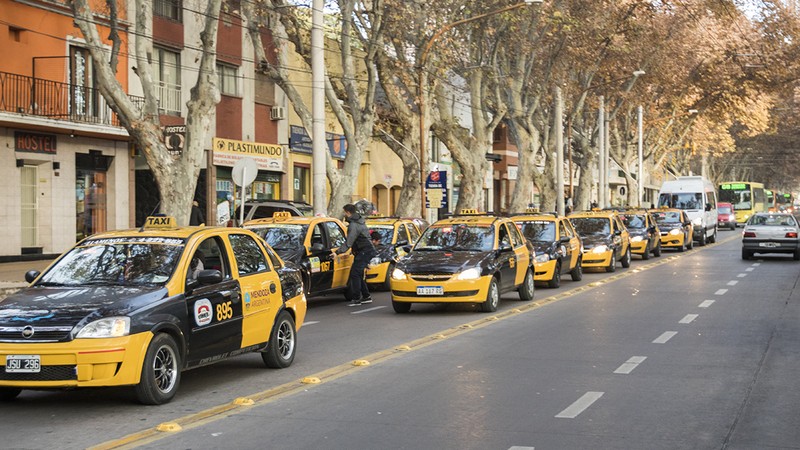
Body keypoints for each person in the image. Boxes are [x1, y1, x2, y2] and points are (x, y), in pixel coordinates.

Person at [333, 204, 377, 306]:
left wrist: (337, 253)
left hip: (365, 251)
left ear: (348, 213)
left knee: (355, 273)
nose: (344, 214)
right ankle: (366, 296)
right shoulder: (359, 221)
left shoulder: (354, 225)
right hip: (365, 251)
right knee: (358, 274)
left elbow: (349, 242)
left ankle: (357, 298)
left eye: (344, 212)